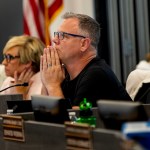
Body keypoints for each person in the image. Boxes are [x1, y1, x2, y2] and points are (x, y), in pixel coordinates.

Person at [40, 12, 131, 108]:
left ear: (84, 44)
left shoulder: (96, 75)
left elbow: (72, 121)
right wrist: (46, 80)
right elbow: (42, 113)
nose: (54, 40)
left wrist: (53, 86)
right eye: (56, 34)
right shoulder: (63, 74)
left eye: (62, 36)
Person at [0, 35, 45, 100]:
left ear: (27, 62)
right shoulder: (9, 81)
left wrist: (20, 94)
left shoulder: (43, 85)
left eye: (9, 57)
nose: (3, 63)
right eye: (5, 57)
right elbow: (2, 109)